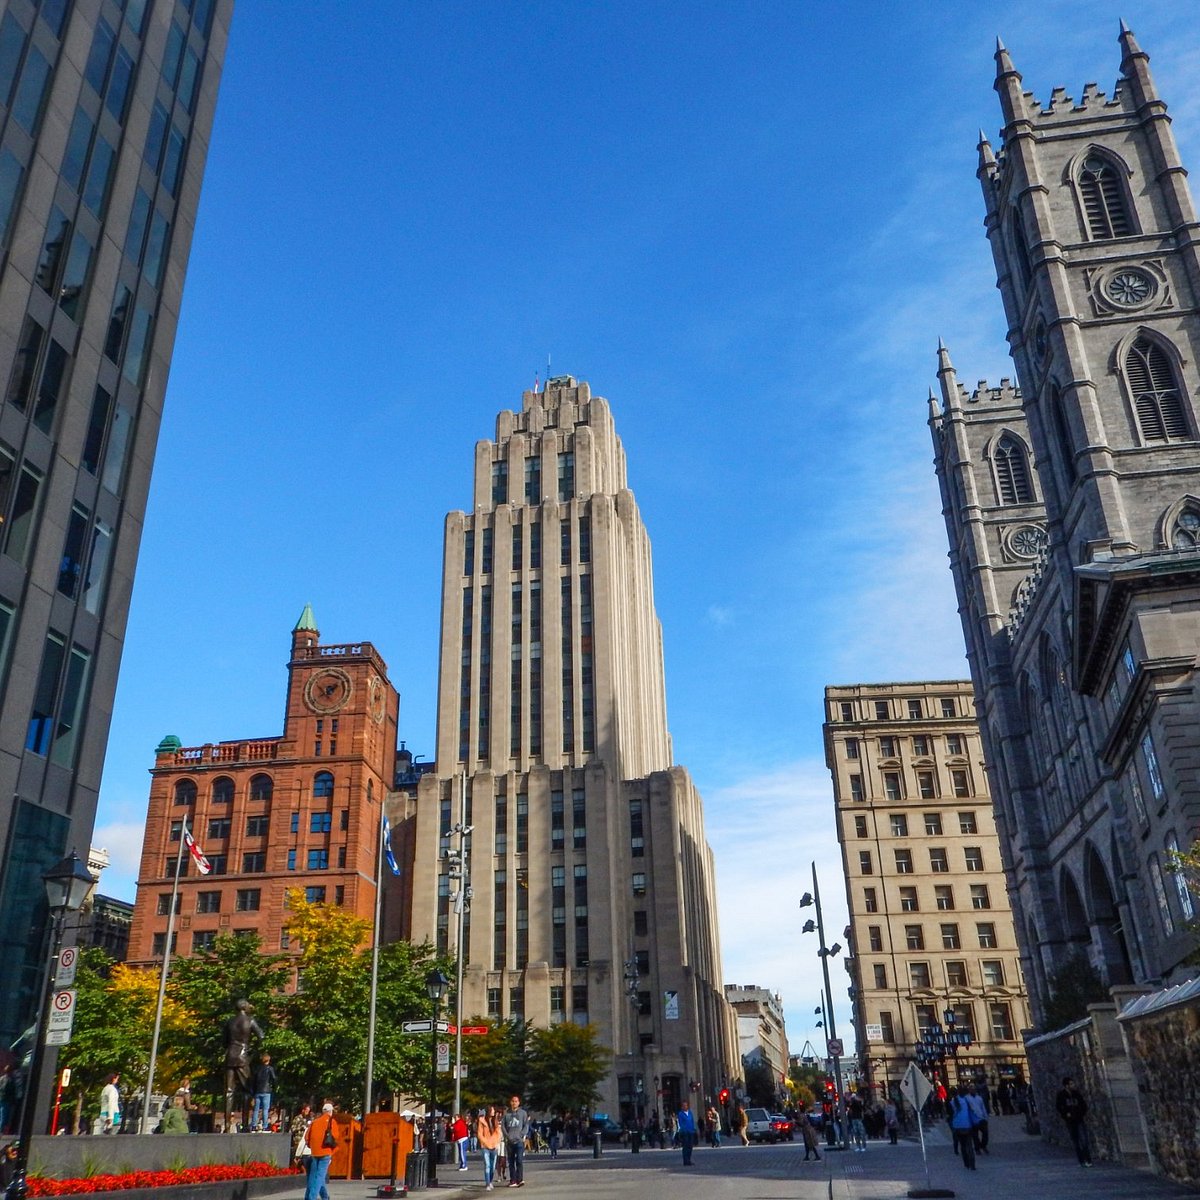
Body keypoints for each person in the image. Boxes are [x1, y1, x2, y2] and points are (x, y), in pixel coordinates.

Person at [223, 1000, 264, 1132]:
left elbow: (224, 1040)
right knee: (247, 1090)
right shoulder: (250, 1021)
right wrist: (253, 1052)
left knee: (229, 1092)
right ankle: (245, 1124)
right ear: (245, 1008)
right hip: (243, 1057)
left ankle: (227, 1125)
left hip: (230, 1056)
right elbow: (261, 1036)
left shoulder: (230, 1022)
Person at [1055, 1076, 1092, 1167]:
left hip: (1079, 1119)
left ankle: (1088, 1160)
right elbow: (1059, 1107)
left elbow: (1083, 1105)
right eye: (1071, 1084)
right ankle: (1081, 1161)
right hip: (1070, 1121)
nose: (1073, 1085)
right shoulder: (1061, 1095)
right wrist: (1066, 1114)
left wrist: (1080, 1114)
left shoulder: (1077, 1094)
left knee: (1084, 1140)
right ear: (1066, 1085)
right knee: (1076, 1141)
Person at [304, 1102, 338, 1200]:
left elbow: (307, 1137)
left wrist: (312, 1146)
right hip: (326, 1152)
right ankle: (312, 1197)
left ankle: (324, 1197)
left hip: (315, 1152)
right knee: (319, 1177)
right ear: (330, 1111)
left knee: (313, 1175)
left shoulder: (315, 1121)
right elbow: (336, 1137)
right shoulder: (332, 1121)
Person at [501, 1094, 529, 1187]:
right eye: (513, 1101)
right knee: (511, 1161)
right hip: (509, 1141)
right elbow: (503, 1126)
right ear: (510, 1102)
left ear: (519, 1102)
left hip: (519, 1141)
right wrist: (507, 1136)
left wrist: (522, 1134)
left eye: (516, 1101)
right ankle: (513, 1180)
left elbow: (526, 1125)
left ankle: (520, 1179)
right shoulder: (506, 1114)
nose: (514, 1103)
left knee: (519, 1160)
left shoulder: (523, 1113)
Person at [947, 1087, 976, 1170]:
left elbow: (950, 1115)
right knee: (969, 1145)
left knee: (963, 1146)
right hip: (967, 1125)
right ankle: (972, 1164)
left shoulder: (952, 1102)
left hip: (957, 1126)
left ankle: (966, 1163)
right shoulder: (966, 1101)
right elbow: (973, 1111)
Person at [477, 1106, 502, 1191]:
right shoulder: (482, 1121)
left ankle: (490, 1181)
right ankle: (487, 1183)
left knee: (492, 1166)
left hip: (494, 1146)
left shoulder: (495, 1121)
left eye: (494, 1110)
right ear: (488, 1111)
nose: (493, 1112)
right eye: (492, 1110)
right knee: (487, 1165)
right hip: (485, 1146)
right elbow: (479, 1134)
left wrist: (496, 1143)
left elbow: (498, 1133)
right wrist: (485, 1142)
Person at [251, 1054, 277, 1132]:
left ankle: (254, 1125)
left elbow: (254, 1081)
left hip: (258, 1091)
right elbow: (274, 1078)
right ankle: (265, 1126)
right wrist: (273, 1087)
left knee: (256, 1109)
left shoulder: (257, 1069)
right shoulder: (270, 1068)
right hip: (266, 1091)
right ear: (268, 1060)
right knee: (265, 1109)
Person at [964, 1083, 988, 1154]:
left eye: (973, 1088)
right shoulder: (966, 1098)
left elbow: (983, 1108)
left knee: (985, 1134)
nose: (972, 1090)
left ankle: (983, 1145)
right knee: (975, 1136)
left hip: (981, 1119)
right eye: (971, 1088)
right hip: (972, 1120)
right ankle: (977, 1149)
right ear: (969, 1090)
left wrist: (985, 1117)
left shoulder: (979, 1098)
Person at [676, 1099, 697, 1165]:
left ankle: (689, 1159)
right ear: (682, 1107)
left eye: (686, 1105)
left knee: (690, 1146)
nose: (685, 1107)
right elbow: (680, 1123)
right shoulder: (680, 1114)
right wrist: (682, 1130)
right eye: (683, 1106)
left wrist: (694, 1129)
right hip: (684, 1132)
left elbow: (692, 1121)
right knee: (685, 1146)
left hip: (691, 1131)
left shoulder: (690, 1113)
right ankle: (685, 1160)